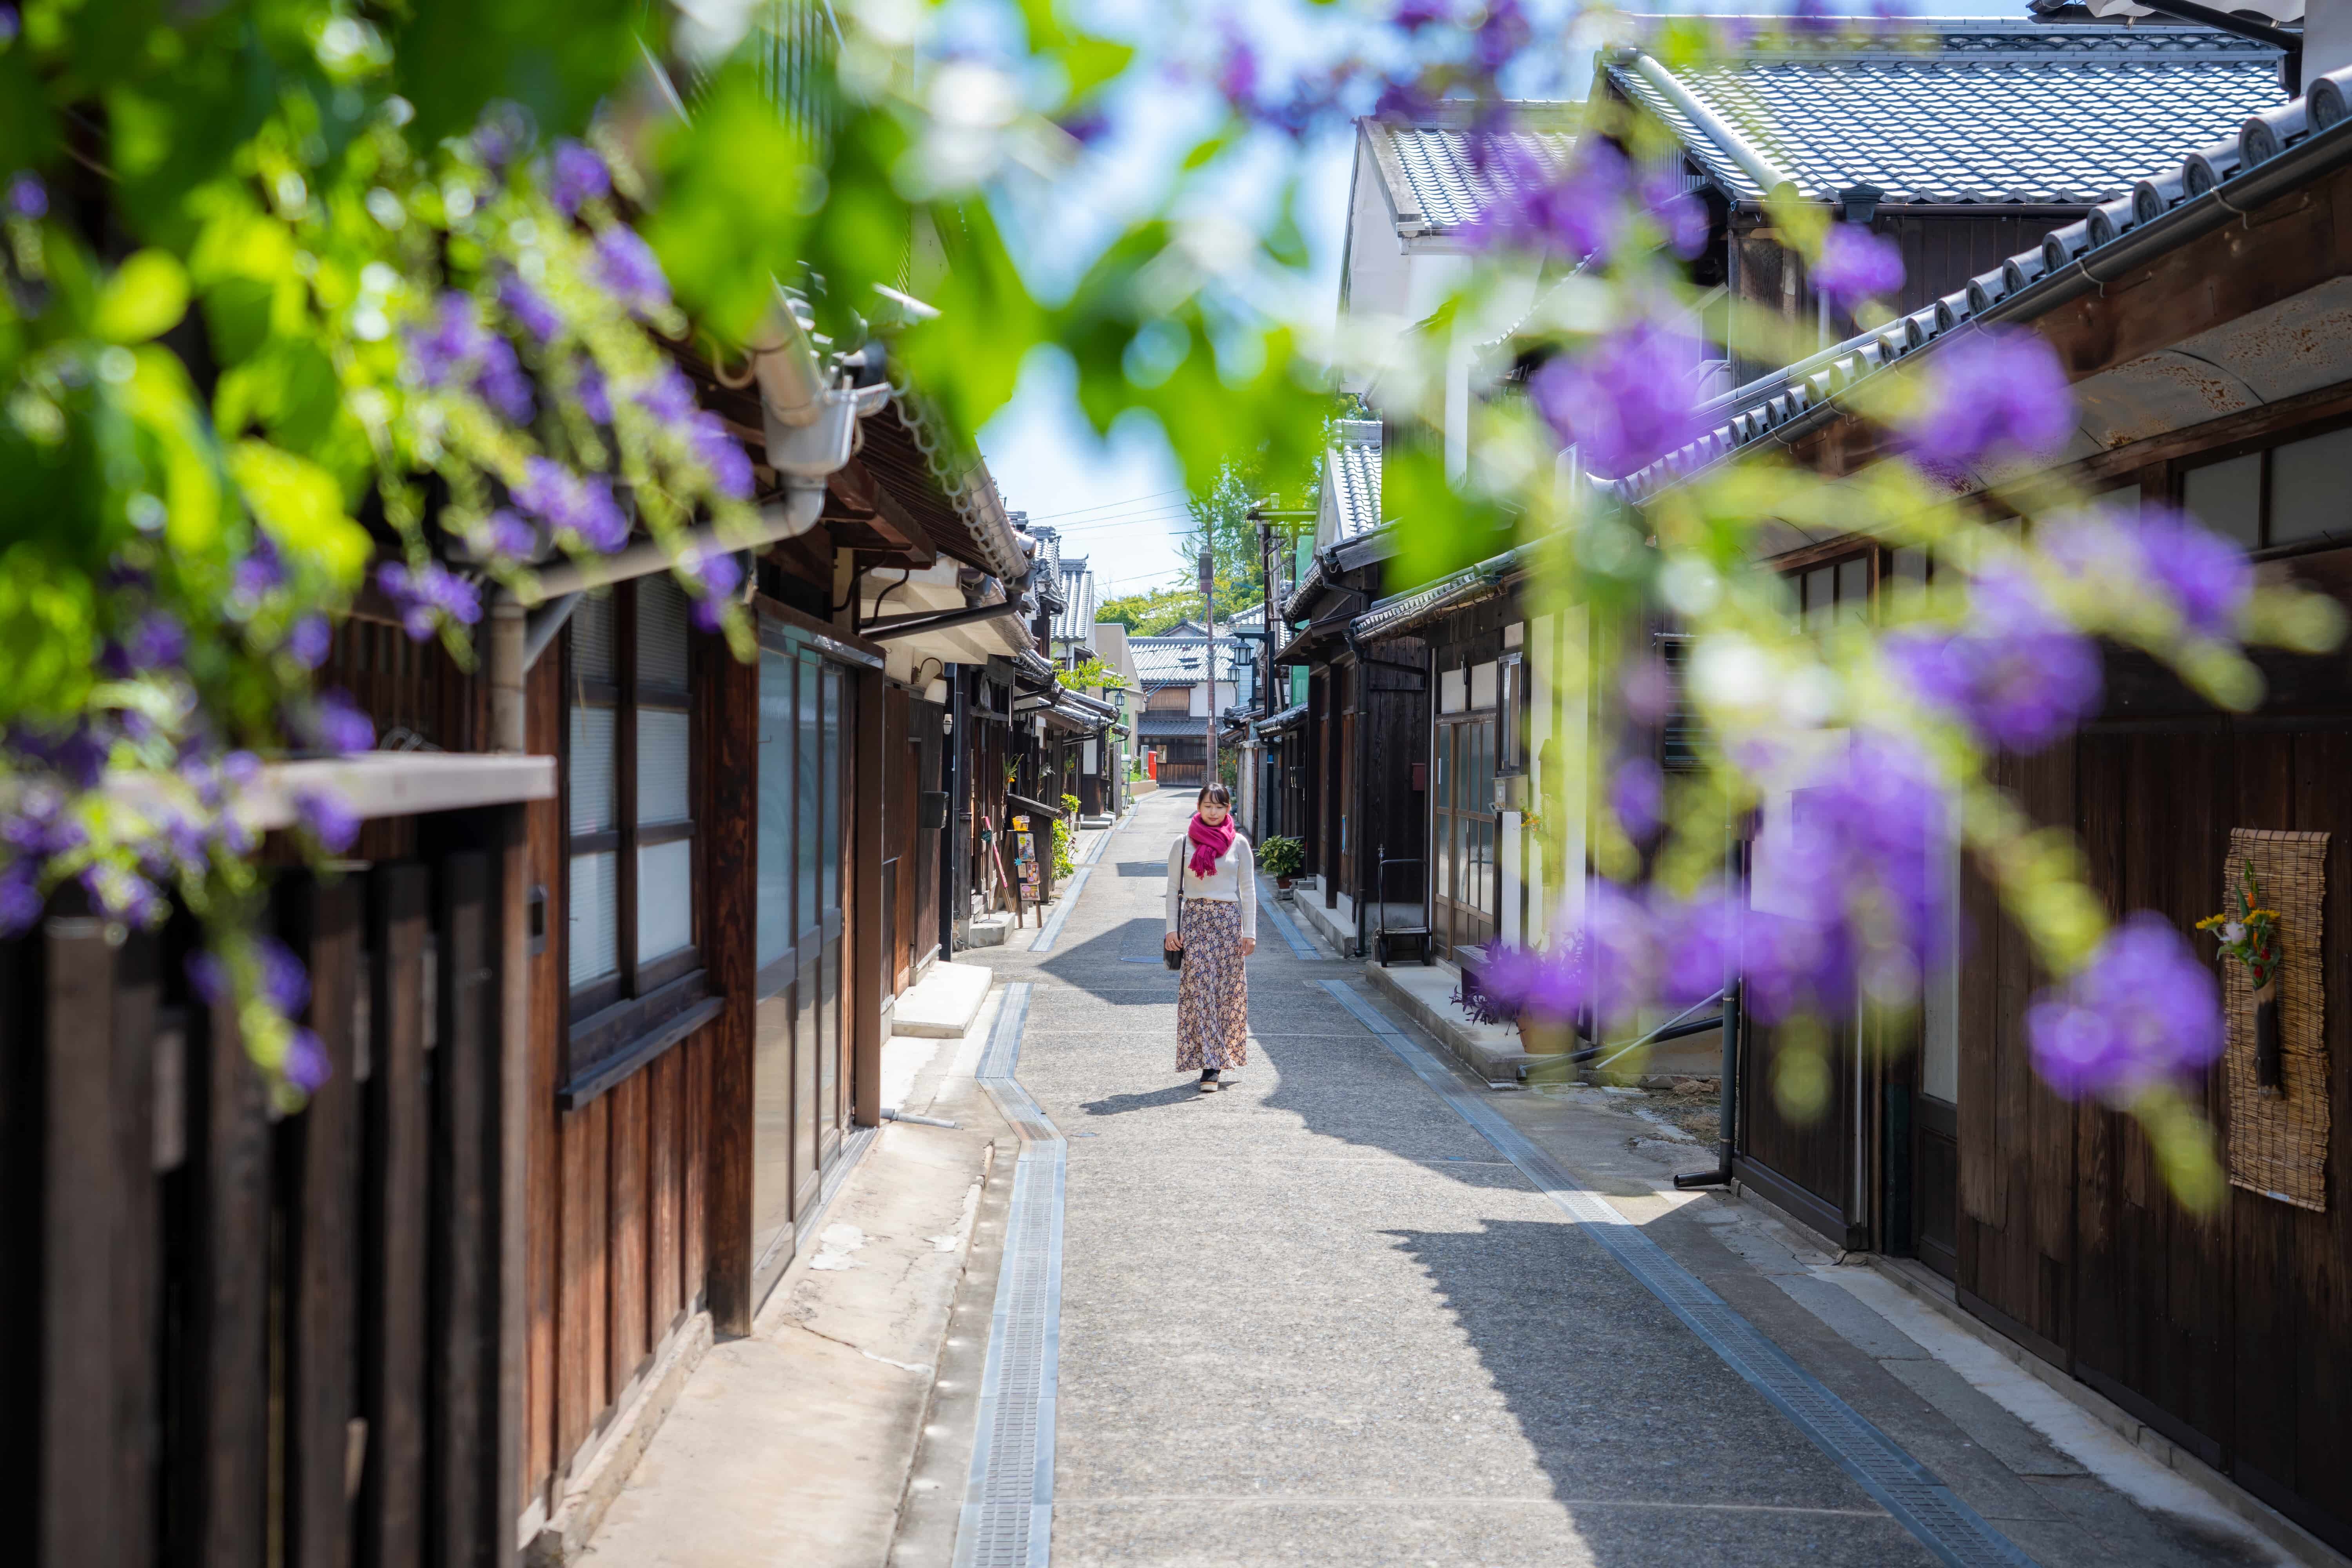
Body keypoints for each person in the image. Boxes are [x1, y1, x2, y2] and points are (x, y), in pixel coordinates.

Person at [1164, 784, 1256, 1093]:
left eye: (1219, 807)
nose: (1213, 812)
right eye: (1208, 806)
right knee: (1201, 990)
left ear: (1228, 809)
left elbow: (1248, 891)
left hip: (1228, 923)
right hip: (1195, 921)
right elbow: (1172, 890)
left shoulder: (1239, 844)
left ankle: (1216, 1056)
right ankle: (1211, 1066)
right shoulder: (1183, 843)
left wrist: (1250, 932)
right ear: (1199, 807)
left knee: (1226, 993)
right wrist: (1172, 929)